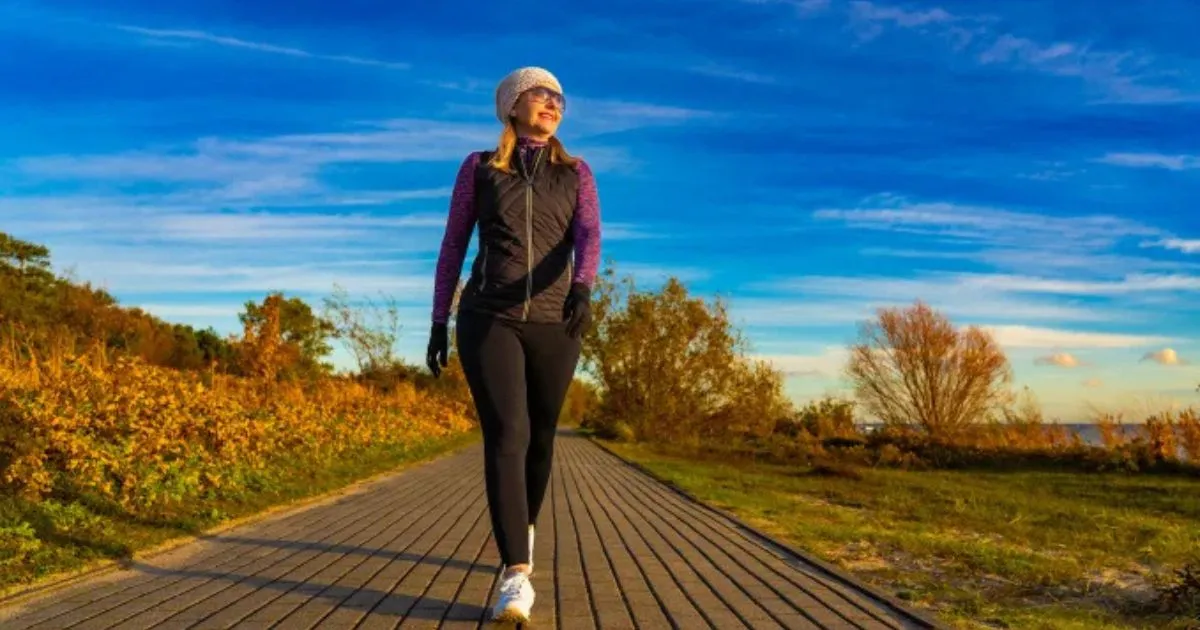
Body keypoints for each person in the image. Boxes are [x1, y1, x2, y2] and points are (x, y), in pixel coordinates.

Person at [424, 66, 601, 624]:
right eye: (542, 93)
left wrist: (581, 285)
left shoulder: (575, 172)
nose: (555, 103)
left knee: (542, 438)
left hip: (556, 322)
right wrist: (437, 320)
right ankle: (515, 576)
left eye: (560, 98)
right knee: (509, 434)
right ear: (513, 103)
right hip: (488, 315)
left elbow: (589, 234)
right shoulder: (479, 168)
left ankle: (520, 525)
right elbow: (454, 242)